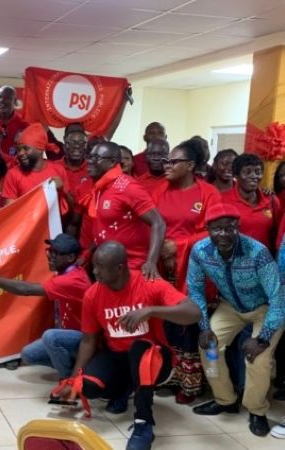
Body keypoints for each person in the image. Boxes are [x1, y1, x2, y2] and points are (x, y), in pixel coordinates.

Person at [56, 241, 201, 450]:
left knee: (138, 348)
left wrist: (151, 311)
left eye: (100, 267)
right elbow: (88, 340)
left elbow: (194, 313)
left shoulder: (149, 283)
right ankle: (123, 390)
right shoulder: (93, 294)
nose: (95, 271)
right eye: (94, 265)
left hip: (154, 358)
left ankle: (144, 424)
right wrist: (73, 378)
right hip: (117, 356)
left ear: (119, 267)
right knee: (87, 386)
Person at [188, 203, 285, 437]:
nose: (223, 234)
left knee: (258, 357)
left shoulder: (258, 253)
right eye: (216, 229)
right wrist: (204, 327)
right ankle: (226, 400)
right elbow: (195, 290)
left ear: (238, 227)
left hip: (265, 309)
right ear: (208, 229)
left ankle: (256, 410)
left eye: (229, 228)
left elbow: (278, 298)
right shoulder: (199, 251)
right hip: (230, 307)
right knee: (209, 346)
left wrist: (262, 338)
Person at [152, 138, 221, 404]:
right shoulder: (160, 190)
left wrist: (179, 246)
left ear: (191, 165)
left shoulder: (208, 193)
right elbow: (149, 224)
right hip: (164, 269)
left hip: (195, 270)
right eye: (166, 161)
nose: (166, 166)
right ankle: (172, 376)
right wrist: (161, 248)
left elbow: (215, 230)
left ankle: (191, 384)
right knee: (168, 323)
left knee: (190, 324)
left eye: (173, 162)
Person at [0, 233, 91, 378]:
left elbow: (26, 289)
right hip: (69, 334)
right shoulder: (65, 273)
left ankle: (69, 379)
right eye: (50, 251)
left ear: (70, 258)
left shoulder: (72, 280)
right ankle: (78, 368)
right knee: (28, 354)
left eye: (57, 253)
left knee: (51, 337)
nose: (51, 256)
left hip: (85, 340)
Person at [78, 141, 165, 279]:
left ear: (112, 162)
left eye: (96, 157)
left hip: (132, 267)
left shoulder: (128, 187)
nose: (89, 161)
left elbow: (158, 223)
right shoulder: (101, 186)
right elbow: (106, 227)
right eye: (89, 156)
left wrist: (151, 262)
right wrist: (87, 254)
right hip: (108, 266)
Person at [1, 122, 70, 207]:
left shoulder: (58, 170)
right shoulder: (13, 174)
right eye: (18, 149)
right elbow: (11, 210)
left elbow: (71, 210)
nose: (20, 153)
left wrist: (62, 190)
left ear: (40, 149)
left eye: (26, 148)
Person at [222, 153, 280, 252]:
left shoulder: (271, 200)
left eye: (258, 172)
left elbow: (277, 234)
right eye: (247, 172)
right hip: (233, 258)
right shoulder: (222, 200)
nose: (254, 176)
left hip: (264, 258)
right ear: (236, 175)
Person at [55, 128, 91, 198]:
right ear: (64, 147)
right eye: (72, 142)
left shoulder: (93, 169)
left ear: (86, 148)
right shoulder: (54, 168)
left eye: (81, 143)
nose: (77, 146)